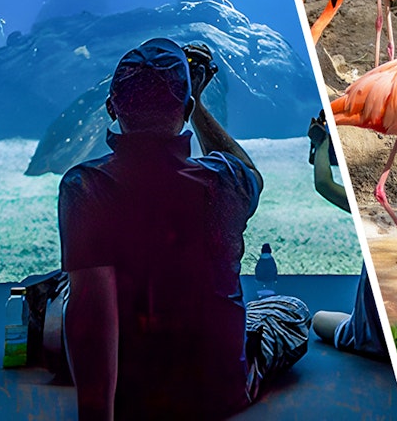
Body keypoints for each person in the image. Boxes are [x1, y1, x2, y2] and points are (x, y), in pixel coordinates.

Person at [58, 38, 308, 420]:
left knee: (69, 293)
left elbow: (92, 311)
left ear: (112, 107)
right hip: (218, 393)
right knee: (289, 309)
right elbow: (251, 173)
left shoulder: (85, 187)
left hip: (129, 397)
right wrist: (199, 105)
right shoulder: (224, 181)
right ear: (187, 107)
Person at [305, 112, 388, 359]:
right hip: (374, 336)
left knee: (318, 319)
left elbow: (323, 184)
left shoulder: (369, 213)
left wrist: (321, 143)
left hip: (369, 337)